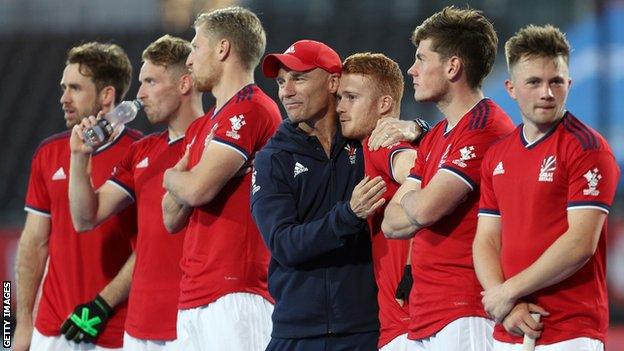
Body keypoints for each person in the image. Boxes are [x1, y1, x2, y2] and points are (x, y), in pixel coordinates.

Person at [473, 24, 620, 351]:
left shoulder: (587, 148)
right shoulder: (497, 154)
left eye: (556, 81)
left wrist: (507, 291)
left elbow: (580, 243)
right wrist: (505, 303)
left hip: (570, 329)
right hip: (510, 327)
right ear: (511, 88)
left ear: (568, 83)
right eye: (534, 82)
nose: (547, 93)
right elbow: (486, 238)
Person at [381, 6, 515, 351]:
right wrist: (419, 196)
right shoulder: (438, 133)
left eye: (422, 59)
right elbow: (391, 224)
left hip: (467, 312)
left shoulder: (486, 127)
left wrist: (416, 193)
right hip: (428, 314)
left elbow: (423, 211)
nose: (412, 70)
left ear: (453, 66)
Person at [68, 35, 202, 350]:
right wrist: (80, 156)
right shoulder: (143, 151)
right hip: (139, 326)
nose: (139, 94)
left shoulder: (215, 139)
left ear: (184, 84)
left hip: (193, 320)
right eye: (141, 82)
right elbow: (86, 218)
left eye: (151, 81)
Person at [160, 7, 281, 351]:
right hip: (195, 293)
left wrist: (173, 174)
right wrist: (182, 180)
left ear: (223, 49)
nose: (189, 59)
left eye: (196, 48)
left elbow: (197, 189)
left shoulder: (253, 108)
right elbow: (170, 216)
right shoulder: (204, 125)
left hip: (236, 290)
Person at [14, 42, 142, 351]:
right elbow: (32, 244)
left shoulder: (141, 154)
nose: (63, 98)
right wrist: (17, 325)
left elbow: (149, 247)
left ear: (107, 95)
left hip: (116, 333)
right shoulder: (48, 153)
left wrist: (102, 305)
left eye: (74, 88)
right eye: (63, 87)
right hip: (51, 331)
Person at [337, 52, 420, 351]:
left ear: (384, 104)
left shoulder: (381, 145)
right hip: (401, 325)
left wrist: (411, 269)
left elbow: (416, 170)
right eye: (339, 98)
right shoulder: (363, 149)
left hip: (409, 328)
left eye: (351, 97)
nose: (340, 108)